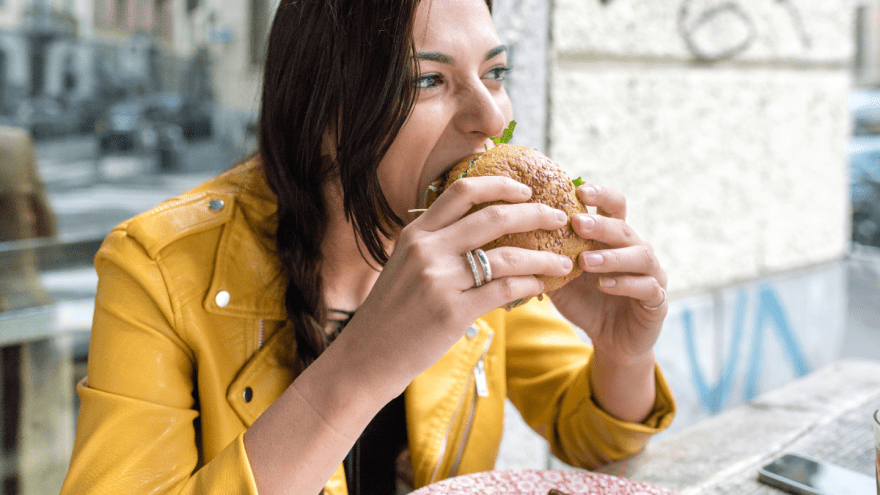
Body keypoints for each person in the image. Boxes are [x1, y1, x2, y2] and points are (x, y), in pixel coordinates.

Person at [61, 0, 675, 493]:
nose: (491, 118)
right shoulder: (157, 264)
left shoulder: (481, 248)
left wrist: (621, 351)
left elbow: (594, 438)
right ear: (321, 108)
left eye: (495, 73)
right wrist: (363, 364)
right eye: (430, 79)